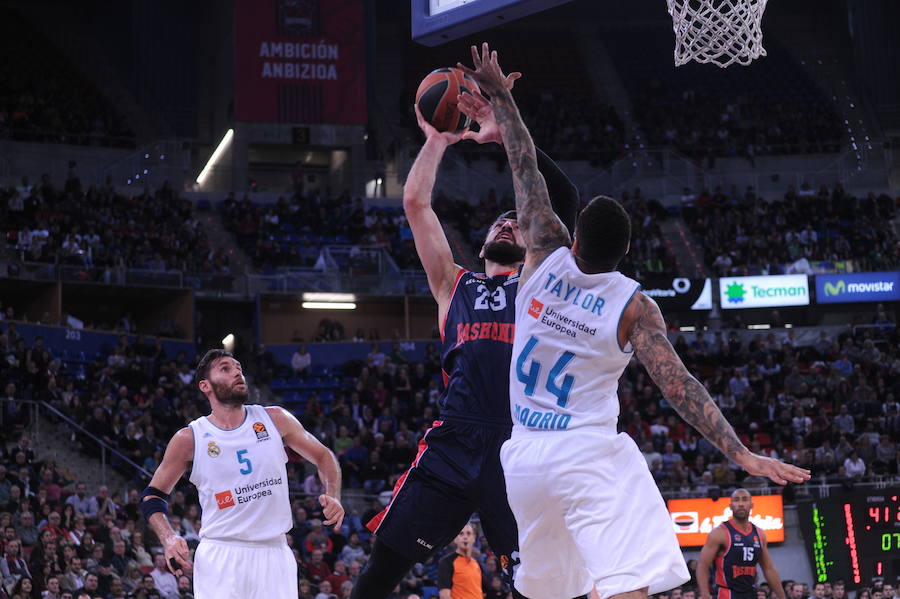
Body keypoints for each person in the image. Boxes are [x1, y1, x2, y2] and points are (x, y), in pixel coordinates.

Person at [457, 42, 811, 599]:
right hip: (587, 455)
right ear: (625, 258)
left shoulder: (542, 255)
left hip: (523, 460)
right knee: (630, 582)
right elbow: (679, 387)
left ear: (572, 238)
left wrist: (502, 100)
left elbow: (525, 168)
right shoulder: (634, 306)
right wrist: (739, 452)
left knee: (549, 590)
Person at [350, 58, 579, 599]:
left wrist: (508, 135)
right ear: (481, 245)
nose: (509, 222)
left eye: (520, 224)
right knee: (384, 567)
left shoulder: (541, 283)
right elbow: (414, 203)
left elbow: (563, 201)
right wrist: (436, 139)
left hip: (519, 443)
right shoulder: (455, 285)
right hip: (454, 439)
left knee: (534, 584)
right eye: (501, 221)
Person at [140, 349, 344, 599]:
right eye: (225, 368)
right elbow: (153, 496)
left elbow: (324, 456)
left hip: (274, 552)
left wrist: (332, 494)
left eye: (238, 367)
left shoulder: (275, 419)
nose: (237, 372)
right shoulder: (190, 438)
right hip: (220, 555)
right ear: (205, 386)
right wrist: (168, 537)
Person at [697, 490, 787, 599]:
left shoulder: (759, 534)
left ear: (751, 505)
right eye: (736, 500)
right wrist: (705, 594)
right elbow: (703, 565)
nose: (740, 504)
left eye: (744, 499)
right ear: (730, 506)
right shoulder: (719, 533)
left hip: (750, 593)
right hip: (726, 593)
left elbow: (768, 568)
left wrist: (782, 597)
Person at [438, 523, 483, 599]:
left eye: (468, 534)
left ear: (474, 538)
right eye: (461, 534)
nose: (465, 537)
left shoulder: (476, 564)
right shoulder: (446, 562)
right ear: (455, 539)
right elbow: (444, 595)